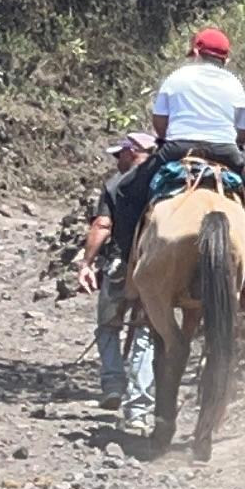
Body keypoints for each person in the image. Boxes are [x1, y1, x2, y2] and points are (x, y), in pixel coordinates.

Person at [149, 26, 245, 297]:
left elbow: (159, 124)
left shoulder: (176, 78)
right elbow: (243, 133)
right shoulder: (234, 84)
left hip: (178, 149)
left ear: (195, 52)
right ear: (225, 59)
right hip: (225, 152)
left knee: (129, 192)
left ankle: (121, 261)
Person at [76, 132, 156, 408]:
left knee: (107, 327)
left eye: (119, 153)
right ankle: (140, 400)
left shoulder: (115, 185)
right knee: (146, 329)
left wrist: (86, 263)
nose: (116, 159)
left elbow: (102, 225)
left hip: (120, 264)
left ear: (132, 152)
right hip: (155, 268)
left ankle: (113, 383)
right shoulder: (166, 183)